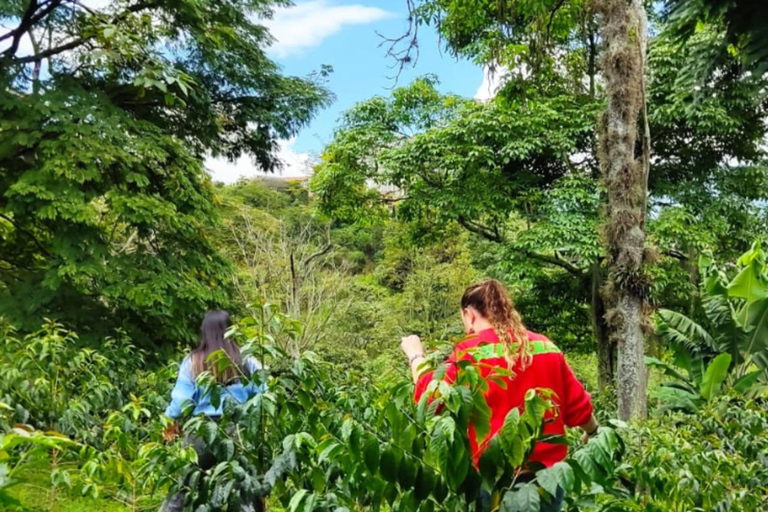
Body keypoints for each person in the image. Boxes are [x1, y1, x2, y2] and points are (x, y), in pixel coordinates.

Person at [399, 280, 598, 512]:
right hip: (549, 480)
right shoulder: (546, 347)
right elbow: (578, 407)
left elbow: (430, 396)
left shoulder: (469, 353)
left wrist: (416, 355)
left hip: (496, 481)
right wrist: (593, 431)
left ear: (469, 314)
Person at [161, 310, 266, 512]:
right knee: (243, 489)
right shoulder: (247, 360)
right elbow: (265, 393)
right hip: (237, 432)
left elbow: (181, 399)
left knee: (182, 487)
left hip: (200, 431)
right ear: (230, 331)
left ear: (204, 332)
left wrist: (170, 422)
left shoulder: (193, 361)